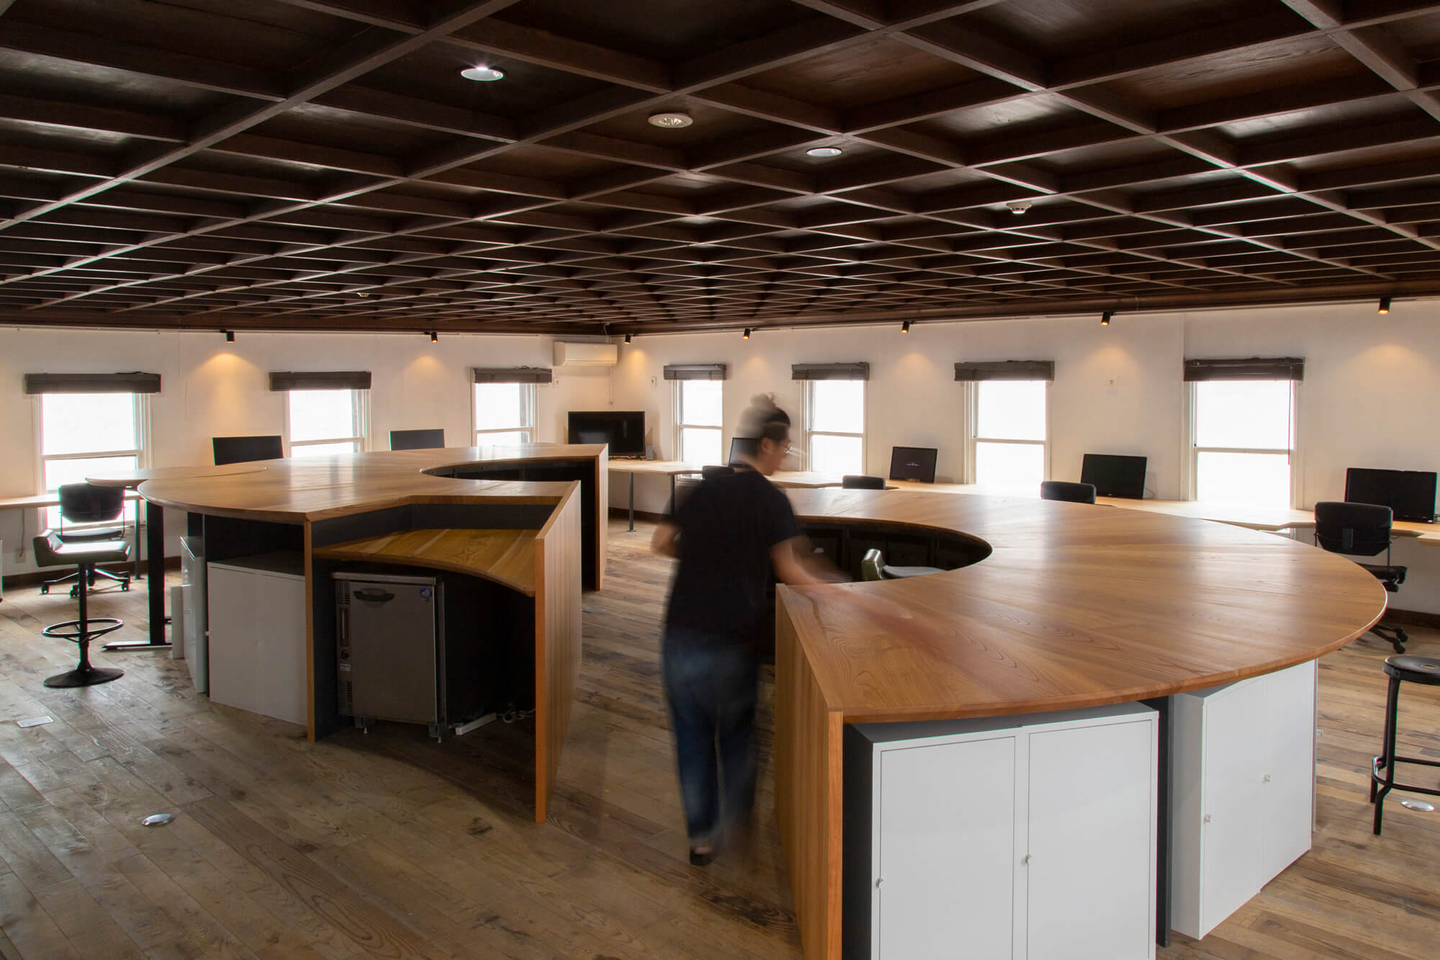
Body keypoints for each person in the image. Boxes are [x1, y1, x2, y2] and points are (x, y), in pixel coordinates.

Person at [652, 394, 837, 865]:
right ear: (766, 445)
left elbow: (661, 542)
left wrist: (702, 558)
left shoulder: (700, 489)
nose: (785, 455)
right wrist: (843, 593)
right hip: (733, 639)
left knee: (691, 740)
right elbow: (790, 570)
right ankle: (738, 823)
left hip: (681, 633)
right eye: (785, 447)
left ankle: (701, 839)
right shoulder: (771, 500)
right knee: (736, 734)